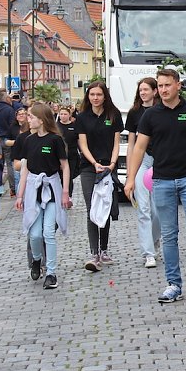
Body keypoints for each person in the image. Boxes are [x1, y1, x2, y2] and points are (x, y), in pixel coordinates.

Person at [124, 68, 186, 303]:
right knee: (169, 234)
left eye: (167, 85)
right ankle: (173, 283)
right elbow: (139, 148)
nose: (163, 90)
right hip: (162, 180)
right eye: (160, 86)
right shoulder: (150, 115)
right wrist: (130, 178)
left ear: (178, 85)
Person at [15, 103, 72, 289]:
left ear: (42, 119)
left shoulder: (55, 140)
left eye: (31, 116)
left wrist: (65, 192)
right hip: (34, 190)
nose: (28, 119)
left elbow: (64, 166)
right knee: (35, 234)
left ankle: (51, 272)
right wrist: (20, 195)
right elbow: (25, 170)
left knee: (48, 232)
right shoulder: (28, 140)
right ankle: (37, 260)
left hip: (52, 189)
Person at [76, 81, 124, 272]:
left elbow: (116, 143)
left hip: (108, 166)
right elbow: (83, 144)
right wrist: (94, 162)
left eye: (99, 94)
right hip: (89, 168)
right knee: (91, 209)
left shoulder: (113, 115)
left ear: (105, 96)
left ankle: (103, 249)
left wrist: (111, 164)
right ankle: (93, 253)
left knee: (104, 208)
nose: (95, 98)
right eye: (92, 94)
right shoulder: (82, 117)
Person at [124, 78, 162, 268]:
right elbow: (131, 144)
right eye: (140, 90)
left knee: (158, 211)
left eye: (146, 90)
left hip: (161, 162)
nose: (143, 93)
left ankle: (155, 239)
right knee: (143, 209)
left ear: (155, 91)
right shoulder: (134, 113)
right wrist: (130, 173)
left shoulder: (162, 110)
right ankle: (148, 253)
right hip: (142, 162)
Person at [0, 92, 18, 196]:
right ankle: (13, 189)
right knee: (10, 164)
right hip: (7, 139)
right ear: (6, 99)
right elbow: (12, 125)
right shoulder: (9, 110)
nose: (11, 100)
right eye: (10, 98)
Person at [56, 105, 80, 198]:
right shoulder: (56, 126)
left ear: (69, 115)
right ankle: (58, 195)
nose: (63, 116)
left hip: (72, 154)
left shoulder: (74, 126)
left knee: (69, 176)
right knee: (59, 176)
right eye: (61, 114)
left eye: (65, 114)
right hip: (58, 155)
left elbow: (79, 140)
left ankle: (68, 196)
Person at [8, 107, 29, 194]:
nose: (21, 116)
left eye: (23, 114)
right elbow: (6, 141)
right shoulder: (12, 127)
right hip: (17, 154)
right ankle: (18, 196)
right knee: (17, 178)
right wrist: (18, 141)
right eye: (19, 114)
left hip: (28, 154)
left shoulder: (30, 126)